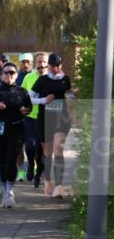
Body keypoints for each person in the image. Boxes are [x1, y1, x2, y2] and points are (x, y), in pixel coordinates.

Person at [30, 53, 74, 198]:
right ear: (48, 66)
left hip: (61, 120)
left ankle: (59, 186)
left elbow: (69, 96)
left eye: (57, 66)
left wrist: (71, 97)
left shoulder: (66, 80)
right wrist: (43, 100)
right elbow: (29, 98)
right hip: (44, 120)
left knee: (58, 149)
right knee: (47, 153)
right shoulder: (42, 80)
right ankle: (48, 181)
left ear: (60, 66)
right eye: (52, 66)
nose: (55, 69)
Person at [0, 64, 32, 208]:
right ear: (1, 75)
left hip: (17, 128)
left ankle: (9, 191)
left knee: (11, 158)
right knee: (2, 160)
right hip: (0, 129)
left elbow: (29, 107)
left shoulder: (22, 91)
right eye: (6, 73)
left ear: (15, 74)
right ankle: (5, 188)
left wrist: (25, 110)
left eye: (12, 72)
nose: (9, 75)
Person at [19, 52, 48, 185]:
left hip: (46, 118)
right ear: (35, 63)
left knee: (42, 152)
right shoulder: (29, 77)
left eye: (44, 62)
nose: (41, 64)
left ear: (48, 64)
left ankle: (38, 176)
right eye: (39, 62)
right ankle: (30, 164)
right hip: (30, 117)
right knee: (30, 146)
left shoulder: (52, 79)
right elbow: (22, 95)